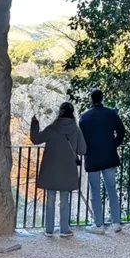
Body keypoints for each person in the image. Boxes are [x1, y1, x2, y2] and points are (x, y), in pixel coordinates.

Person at [30, 101, 86, 238]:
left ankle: (49, 230)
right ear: (72, 113)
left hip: (51, 169)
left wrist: (34, 125)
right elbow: (82, 150)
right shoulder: (76, 130)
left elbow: (36, 139)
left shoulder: (52, 128)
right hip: (68, 170)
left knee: (50, 199)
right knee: (65, 200)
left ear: (60, 112)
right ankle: (64, 230)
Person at [79, 88, 126, 234]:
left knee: (95, 191)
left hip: (92, 157)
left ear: (91, 99)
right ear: (102, 98)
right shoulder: (111, 114)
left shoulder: (84, 117)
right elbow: (121, 131)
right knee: (112, 189)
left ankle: (98, 224)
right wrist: (113, 144)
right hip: (109, 156)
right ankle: (116, 222)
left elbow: (81, 138)